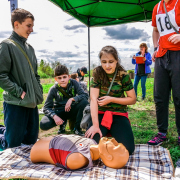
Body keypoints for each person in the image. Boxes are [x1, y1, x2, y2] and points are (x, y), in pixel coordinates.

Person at [0, 9, 43, 150]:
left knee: (31, 142)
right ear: (16, 24)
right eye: (28, 25)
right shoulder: (6, 45)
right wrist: (19, 92)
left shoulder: (30, 48)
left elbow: (36, 75)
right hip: (16, 104)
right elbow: (1, 75)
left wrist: (38, 91)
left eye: (32, 26)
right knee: (13, 145)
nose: (32, 29)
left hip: (31, 104)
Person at [85, 46, 136, 155]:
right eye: (104, 62)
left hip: (118, 114)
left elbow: (132, 99)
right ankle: (105, 135)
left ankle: (109, 136)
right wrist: (95, 125)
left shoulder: (123, 75)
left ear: (116, 61)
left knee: (128, 149)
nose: (107, 66)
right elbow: (93, 99)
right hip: (100, 114)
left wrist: (111, 99)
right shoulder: (97, 73)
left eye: (111, 62)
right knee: (89, 146)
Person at [147, 0, 180, 146]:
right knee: (159, 97)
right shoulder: (157, 7)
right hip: (161, 56)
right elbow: (155, 30)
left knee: (179, 97)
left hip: (178, 54)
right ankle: (162, 133)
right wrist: (155, 49)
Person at [30, 135, 129, 170]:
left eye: (115, 146)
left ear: (108, 156)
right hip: (49, 139)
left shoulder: (78, 159)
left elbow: (54, 155)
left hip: (37, 150)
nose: (113, 140)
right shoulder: (92, 142)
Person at [40, 65, 88, 136]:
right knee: (43, 124)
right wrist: (54, 116)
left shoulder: (74, 83)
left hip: (72, 109)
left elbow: (85, 95)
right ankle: (62, 124)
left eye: (64, 77)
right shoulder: (53, 89)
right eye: (59, 78)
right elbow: (46, 107)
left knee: (84, 102)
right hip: (59, 111)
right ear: (56, 79)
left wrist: (72, 99)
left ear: (69, 77)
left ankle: (77, 128)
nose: (62, 80)